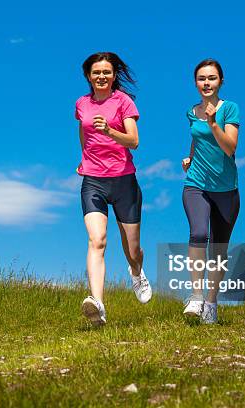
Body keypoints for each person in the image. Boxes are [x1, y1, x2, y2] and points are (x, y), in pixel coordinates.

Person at [75, 52, 152, 326]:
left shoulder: (123, 102)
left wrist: (109, 131)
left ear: (114, 75)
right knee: (97, 240)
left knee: (132, 250)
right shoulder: (82, 104)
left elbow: (134, 141)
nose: (101, 77)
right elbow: (83, 132)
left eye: (106, 72)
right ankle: (98, 304)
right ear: (88, 76)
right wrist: (84, 159)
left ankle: (136, 271)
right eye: (96, 72)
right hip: (93, 181)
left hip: (123, 180)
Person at [181, 59, 240, 324]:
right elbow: (197, 139)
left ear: (221, 81)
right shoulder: (192, 112)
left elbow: (230, 148)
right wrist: (190, 158)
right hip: (196, 183)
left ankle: (211, 303)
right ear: (196, 82)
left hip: (226, 189)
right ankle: (196, 296)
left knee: (219, 248)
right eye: (202, 78)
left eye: (212, 78)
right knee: (199, 233)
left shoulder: (230, 109)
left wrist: (213, 122)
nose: (206, 83)